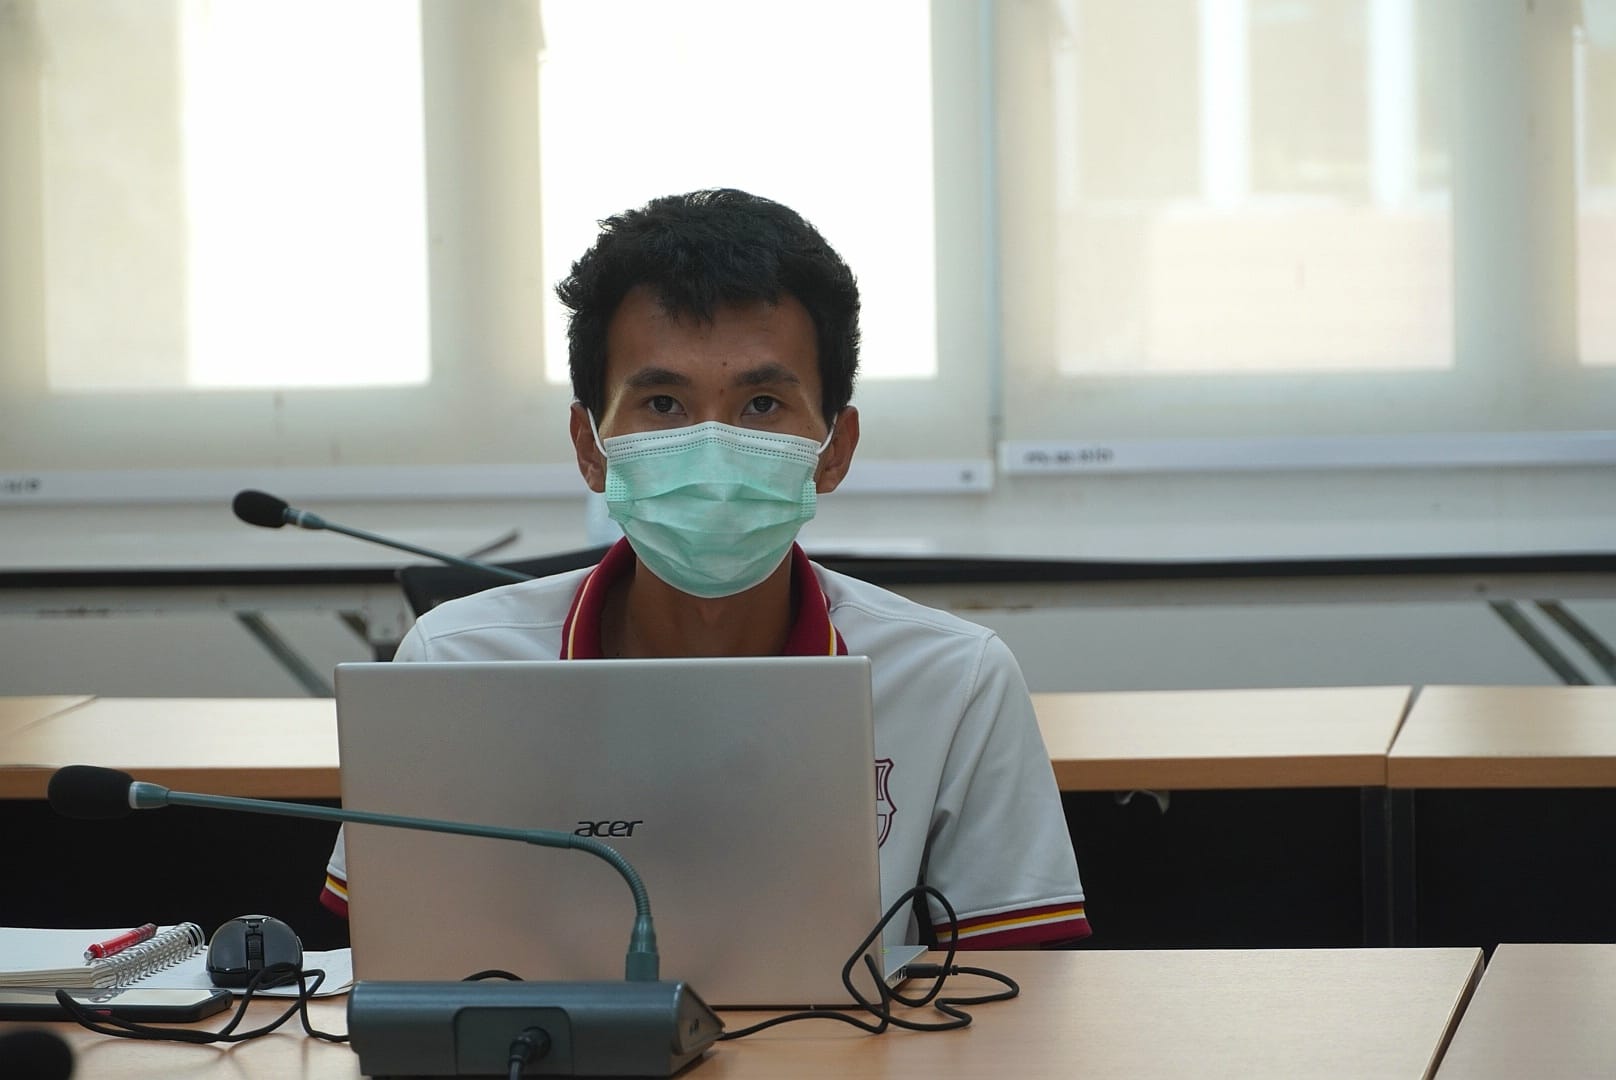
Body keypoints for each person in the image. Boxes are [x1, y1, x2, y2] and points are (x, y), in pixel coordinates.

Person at [321, 189, 1089, 947]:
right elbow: (392, 962)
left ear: (835, 451)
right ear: (590, 447)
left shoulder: (953, 681)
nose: (713, 450)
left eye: (762, 404)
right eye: (663, 404)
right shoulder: (453, 666)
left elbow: (1023, 991)